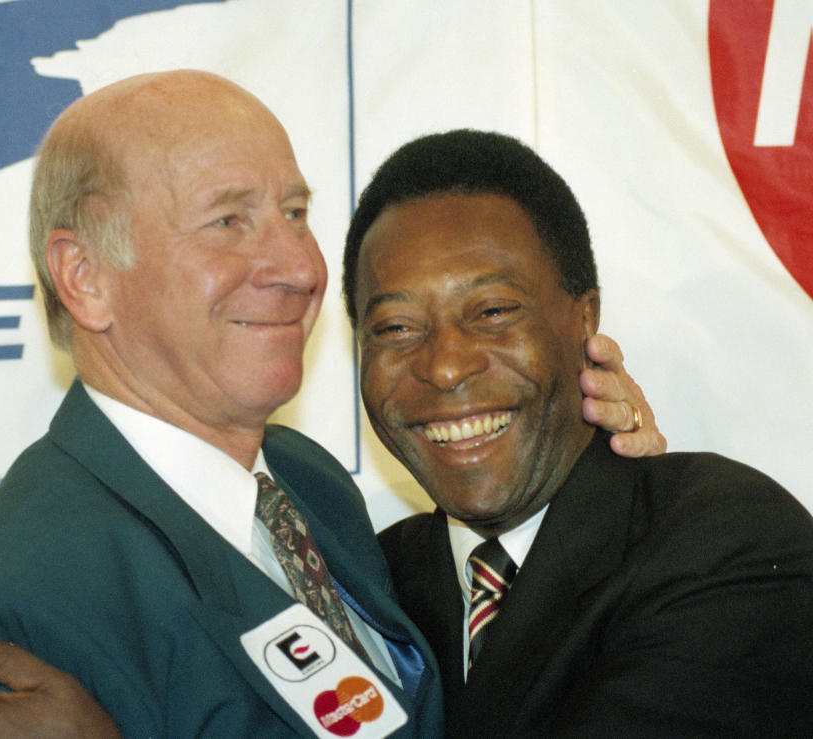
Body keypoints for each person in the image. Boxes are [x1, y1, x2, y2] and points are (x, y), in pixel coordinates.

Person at [0, 78, 662, 738]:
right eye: (229, 221)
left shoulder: (306, 482)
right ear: (84, 275)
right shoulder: (10, 610)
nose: (301, 267)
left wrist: (593, 498)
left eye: (294, 212)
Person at [348, 130, 813, 736]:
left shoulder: (727, 539)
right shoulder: (365, 590)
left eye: (491, 312)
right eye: (396, 328)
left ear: (585, 318)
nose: (444, 366)